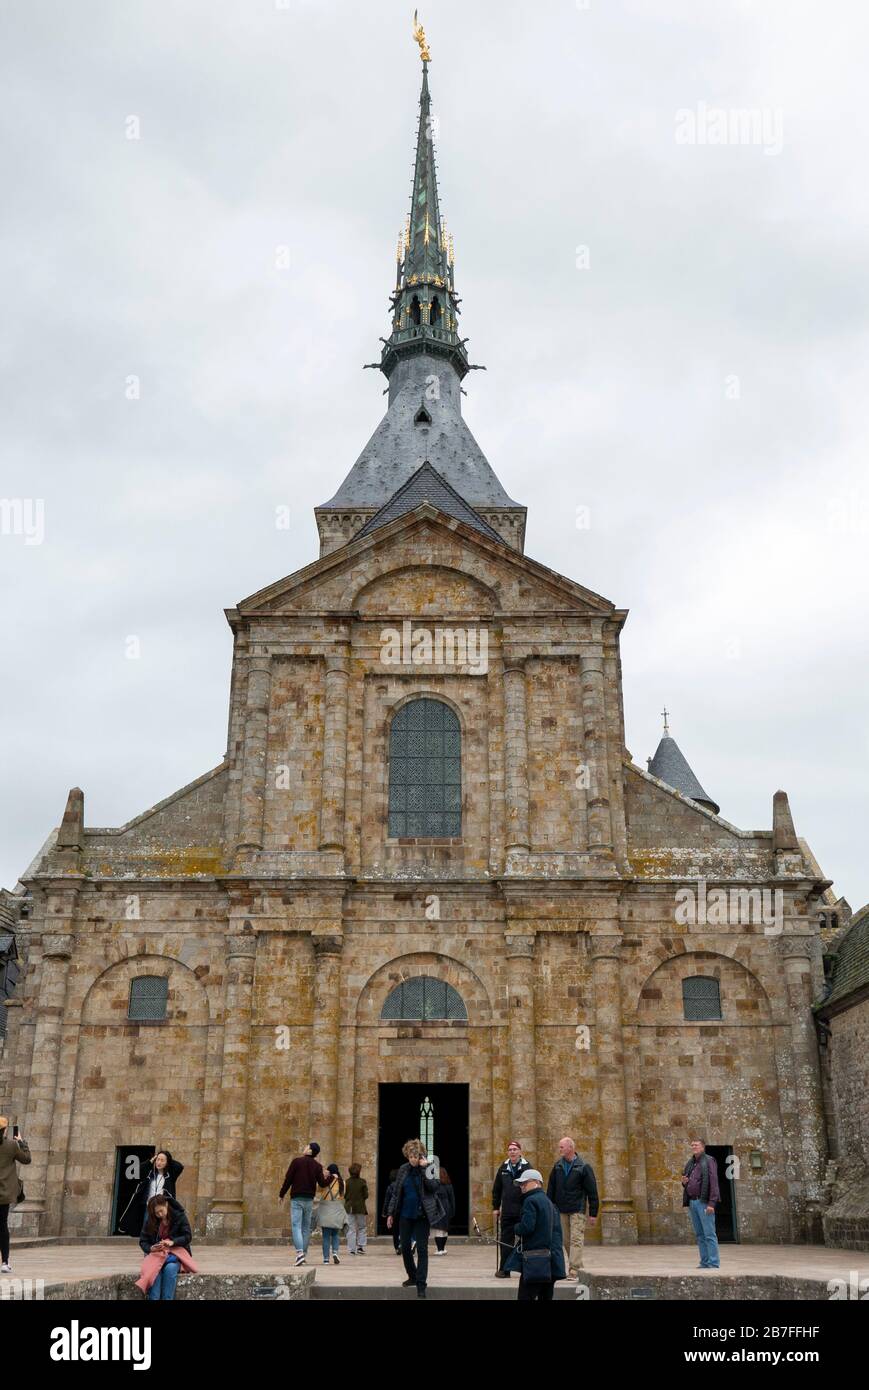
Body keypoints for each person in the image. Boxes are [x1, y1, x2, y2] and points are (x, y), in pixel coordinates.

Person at [386, 1138, 444, 1299]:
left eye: (416, 1156)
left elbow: (434, 1187)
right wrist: (390, 1214)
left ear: (421, 1156)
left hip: (422, 1216)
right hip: (405, 1215)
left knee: (422, 1250)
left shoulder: (429, 1167)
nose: (413, 1159)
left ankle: (421, 1284)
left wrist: (425, 1170)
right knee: (404, 1248)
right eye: (411, 1156)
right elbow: (396, 1193)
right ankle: (412, 1275)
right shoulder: (403, 1169)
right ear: (407, 1156)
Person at [504, 1169, 565, 1300]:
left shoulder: (530, 1200)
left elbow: (527, 1227)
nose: (522, 1186)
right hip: (551, 1262)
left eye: (525, 1183)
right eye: (521, 1184)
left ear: (537, 1183)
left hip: (535, 1261)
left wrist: (515, 1228)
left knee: (525, 1296)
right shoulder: (549, 1202)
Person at [546, 1136, 598, 1277]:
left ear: (570, 1148)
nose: (560, 1149)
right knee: (566, 1240)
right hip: (561, 1210)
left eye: (562, 1147)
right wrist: (549, 1208)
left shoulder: (583, 1167)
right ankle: (577, 1265)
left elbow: (592, 1191)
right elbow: (551, 1189)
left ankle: (574, 1269)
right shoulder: (557, 1167)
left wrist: (593, 1213)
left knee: (576, 1239)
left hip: (577, 1210)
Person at [135, 1193, 198, 1299]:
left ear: (166, 1205)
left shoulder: (179, 1216)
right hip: (156, 1256)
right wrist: (151, 1248)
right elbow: (143, 1241)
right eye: (157, 1213)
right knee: (154, 1271)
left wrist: (173, 1242)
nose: (160, 1214)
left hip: (175, 1255)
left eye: (161, 1211)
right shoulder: (151, 1220)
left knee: (170, 1269)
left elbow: (187, 1236)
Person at [279, 1142, 329, 1266]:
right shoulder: (317, 1166)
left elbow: (288, 1179)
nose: (304, 1148)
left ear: (310, 1151)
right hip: (309, 1199)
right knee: (306, 1228)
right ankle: (303, 1255)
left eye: (307, 1146)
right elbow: (322, 1183)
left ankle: (300, 1253)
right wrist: (330, 1177)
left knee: (296, 1226)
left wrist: (281, 1194)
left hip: (297, 1198)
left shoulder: (296, 1162)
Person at [119, 1147, 184, 1238]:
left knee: (163, 1229)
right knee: (147, 1229)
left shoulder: (170, 1176)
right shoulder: (150, 1174)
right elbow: (137, 1171)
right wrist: (150, 1161)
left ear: (167, 1163)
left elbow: (180, 1166)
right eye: (158, 1160)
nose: (159, 1162)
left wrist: (167, 1158)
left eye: (162, 1160)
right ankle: (147, 1247)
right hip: (149, 1206)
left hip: (163, 1207)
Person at [492, 1140, 531, 1277]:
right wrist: (496, 1207)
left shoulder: (527, 1168)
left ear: (520, 1152)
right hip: (507, 1211)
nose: (512, 1152)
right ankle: (505, 1269)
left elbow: (532, 1187)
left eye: (515, 1149)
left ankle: (526, 1269)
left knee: (526, 1240)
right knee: (505, 1241)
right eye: (510, 1150)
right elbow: (497, 1189)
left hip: (523, 1210)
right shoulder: (503, 1168)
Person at [681, 1138, 721, 1270]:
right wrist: (684, 1182)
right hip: (692, 1202)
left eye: (696, 1145)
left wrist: (712, 1203)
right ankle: (704, 1262)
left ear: (703, 1147)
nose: (694, 1147)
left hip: (704, 1202)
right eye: (692, 1145)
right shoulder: (691, 1163)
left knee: (709, 1234)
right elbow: (688, 1183)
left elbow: (714, 1183)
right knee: (699, 1234)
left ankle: (713, 1263)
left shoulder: (709, 1161)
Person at [0, 1117, 31, 1274]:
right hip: (4, 1193)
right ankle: (5, 1262)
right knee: (2, 1226)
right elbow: (26, 1159)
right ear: (5, 1130)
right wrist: (21, 1142)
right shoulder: (11, 1145)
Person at [316, 1163, 347, 1265]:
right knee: (335, 1234)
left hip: (326, 1210)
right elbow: (343, 1196)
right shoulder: (342, 1182)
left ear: (329, 1171)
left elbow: (318, 1189)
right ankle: (335, 1252)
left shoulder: (325, 1182)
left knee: (326, 1236)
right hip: (337, 1210)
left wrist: (324, 1177)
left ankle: (326, 1259)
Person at [344, 1163, 369, 1255]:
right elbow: (366, 1195)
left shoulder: (346, 1182)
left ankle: (351, 1249)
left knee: (351, 1228)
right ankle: (360, 1247)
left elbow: (344, 1195)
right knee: (362, 1227)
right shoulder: (362, 1182)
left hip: (349, 1207)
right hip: (360, 1207)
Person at [432, 1165, 455, 1254]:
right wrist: (452, 1210)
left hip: (438, 1207)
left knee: (438, 1230)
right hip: (447, 1207)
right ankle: (443, 1248)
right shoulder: (449, 1185)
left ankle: (439, 1249)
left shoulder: (435, 1186)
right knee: (444, 1230)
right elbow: (452, 1199)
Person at [383, 1169, 401, 1253]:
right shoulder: (402, 1186)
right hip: (401, 1209)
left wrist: (385, 1212)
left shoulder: (390, 1187)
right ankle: (402, 1244)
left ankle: (397, 1247)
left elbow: (387, 1200)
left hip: (393, 1210)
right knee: (403, 1228)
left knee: (395, 1230)